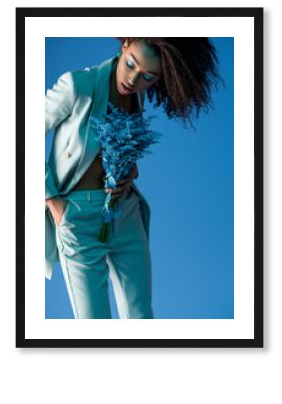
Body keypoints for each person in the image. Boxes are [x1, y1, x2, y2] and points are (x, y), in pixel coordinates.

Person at [45, 37, 222, 319]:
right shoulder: (77, 85)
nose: (132, 79)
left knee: (140, 319)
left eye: (147, 77)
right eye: (130, 64)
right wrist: (53, 201)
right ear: (125, 44)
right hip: (77, 218)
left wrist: (129, 171)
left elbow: (114, 148)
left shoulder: (135, 95)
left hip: (125, 213)